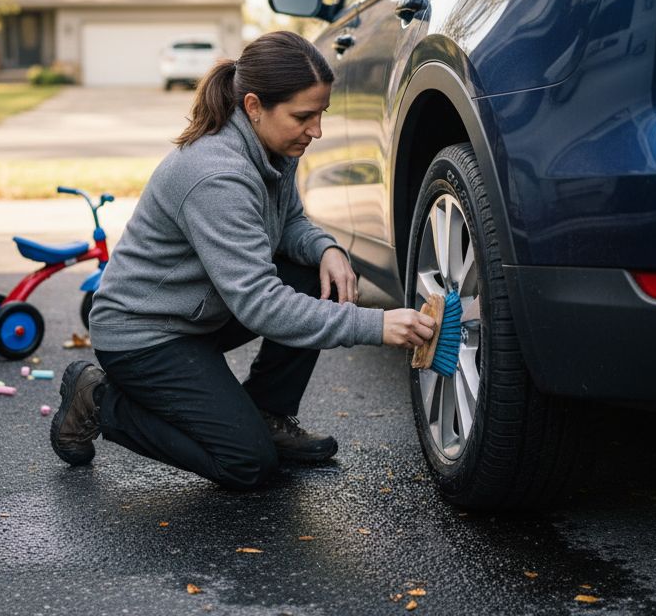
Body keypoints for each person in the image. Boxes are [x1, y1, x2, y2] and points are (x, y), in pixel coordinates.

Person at [49, 31, 436, 490]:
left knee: (314, 272)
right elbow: (261, 304)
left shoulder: (272, 145)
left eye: (321, 114)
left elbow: (288, 223)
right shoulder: (217, 175)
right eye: (303, 116)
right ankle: (97, 399)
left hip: (201, 314)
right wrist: (376, 325)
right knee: (247, 463)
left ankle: (268, 413)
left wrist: (327, 249)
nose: (316, 130)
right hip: (144, 335)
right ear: (254, 106)